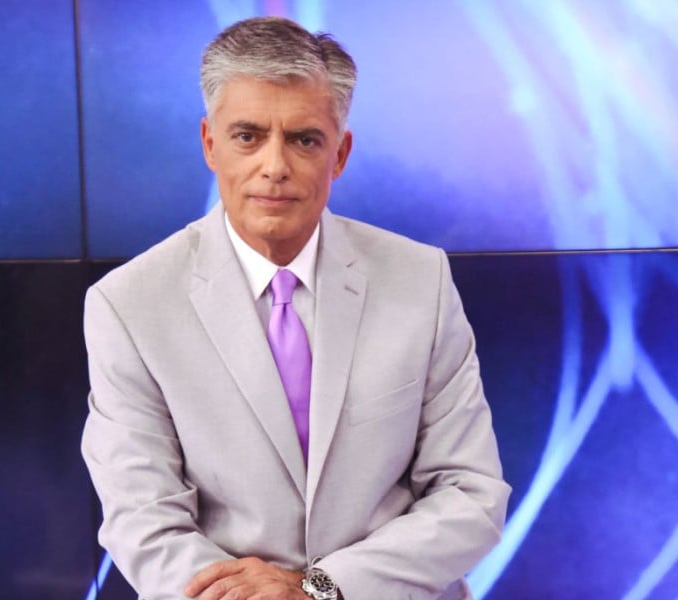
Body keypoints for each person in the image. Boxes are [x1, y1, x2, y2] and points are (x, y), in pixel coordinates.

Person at [81, 16, 509, 600]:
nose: (275, 166)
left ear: (340, 153)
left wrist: (319, 589)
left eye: (304, 139)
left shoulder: (420, 281)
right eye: (248, 136)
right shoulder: (130, 305)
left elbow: (470, 495)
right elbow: (143, 520)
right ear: (210, 143)